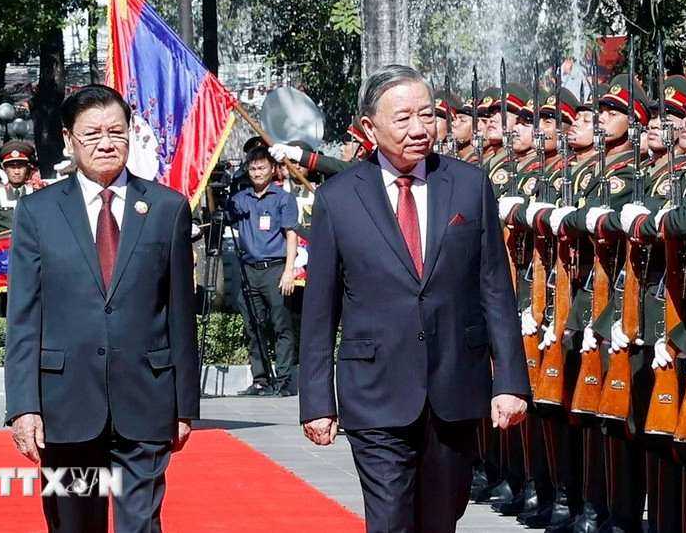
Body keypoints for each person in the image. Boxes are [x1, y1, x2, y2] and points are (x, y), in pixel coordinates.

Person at [300, 64, 530, 533]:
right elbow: (320, 310)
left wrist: (509, 381)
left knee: (441, 518)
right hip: (375, 390)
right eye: (403, 118)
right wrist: (317, 400)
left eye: (427, 115)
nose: (419, 129)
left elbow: (495, 288)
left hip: (454, 385)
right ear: (370, 127)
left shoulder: (468, 184)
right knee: (389, 520)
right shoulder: (339, 198)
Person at [4, 84, 199, 533]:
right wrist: (23, 406)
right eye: (91, 134)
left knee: (141, 523)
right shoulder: (38, 211)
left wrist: (185, 404)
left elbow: (180, 315)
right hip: (64, 405)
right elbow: (24, 317)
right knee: (73, 524)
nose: (106, 143)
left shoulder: (168, 208)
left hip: (146, 400)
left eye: (117, 131)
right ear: (68, 139)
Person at [227, 144, 299, 396]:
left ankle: (284, 380)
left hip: (275, 269)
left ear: (272, 169)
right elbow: (222, 215)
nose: (257, 173)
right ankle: (261, 380)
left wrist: (289, 270)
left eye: (262, 168)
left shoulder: (282, 198)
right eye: (253, 168)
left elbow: (292, 235)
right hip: (248, 270)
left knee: (281, 326)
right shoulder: (240, 199)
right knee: (253, 327)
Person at [0, 140, 38, 316]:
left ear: (28, 168)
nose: (17, 170)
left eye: (21, 166)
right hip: (4, 259)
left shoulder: (39, 194)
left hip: (32, 255)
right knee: (3, 303)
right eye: (12, 166)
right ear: (5, 169)